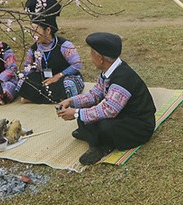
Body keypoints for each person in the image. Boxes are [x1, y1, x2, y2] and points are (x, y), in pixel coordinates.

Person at [56, 32, 156, 165]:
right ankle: (93, 136)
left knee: (104, 126)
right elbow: (95, 94)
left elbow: (109, 110)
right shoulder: (109, 71)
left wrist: (75, 113)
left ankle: (101, 146)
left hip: (139, 126)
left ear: (100, 59)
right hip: (122, 115)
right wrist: (72, 101)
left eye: (92, 53)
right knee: (85, 115)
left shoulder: (123, 78)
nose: (90, 57)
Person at [18, 17, 85, 104]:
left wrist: (58, 76)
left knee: (69, 84)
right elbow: (28, 67)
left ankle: (35, 98)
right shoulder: (34, 49)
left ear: (48, 30)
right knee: (21, 82)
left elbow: (77, 65)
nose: (33, 34)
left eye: (36, 31)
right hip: (45, 80)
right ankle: (58, 98)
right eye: (32, 31)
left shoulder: (64, 45)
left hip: (63, 78)